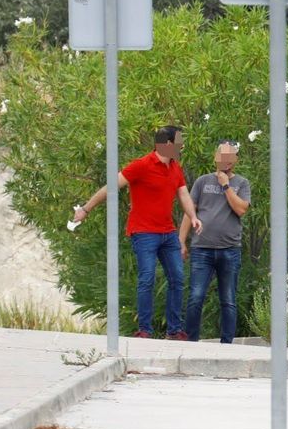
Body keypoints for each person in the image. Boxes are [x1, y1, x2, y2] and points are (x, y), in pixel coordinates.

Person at [74, 124, 201, 339]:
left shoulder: (175, 168)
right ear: (167, 144)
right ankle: (144, 330)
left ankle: (174, 330)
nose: (182, 146)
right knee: (147, 278)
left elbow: (184, 195)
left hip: (168, 233)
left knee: (178, 278)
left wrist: (194, 216)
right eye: (179, 141)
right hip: (144, 233)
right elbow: (111, 186)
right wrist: (86, 209)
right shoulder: (141, 165)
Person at [179, 139, 250, 344]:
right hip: (202, 249)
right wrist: (181, 241)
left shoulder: (241, 183)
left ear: (235, 160)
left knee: (228, 300)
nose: (225, 160)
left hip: (230, 250)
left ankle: (227, 344)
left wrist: (226, 186)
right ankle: (191, 341)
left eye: (230, 156)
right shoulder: (202, 182)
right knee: (195, 297)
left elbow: (241, 209)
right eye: (222, 155)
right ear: (215, 157)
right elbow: (188, 212)